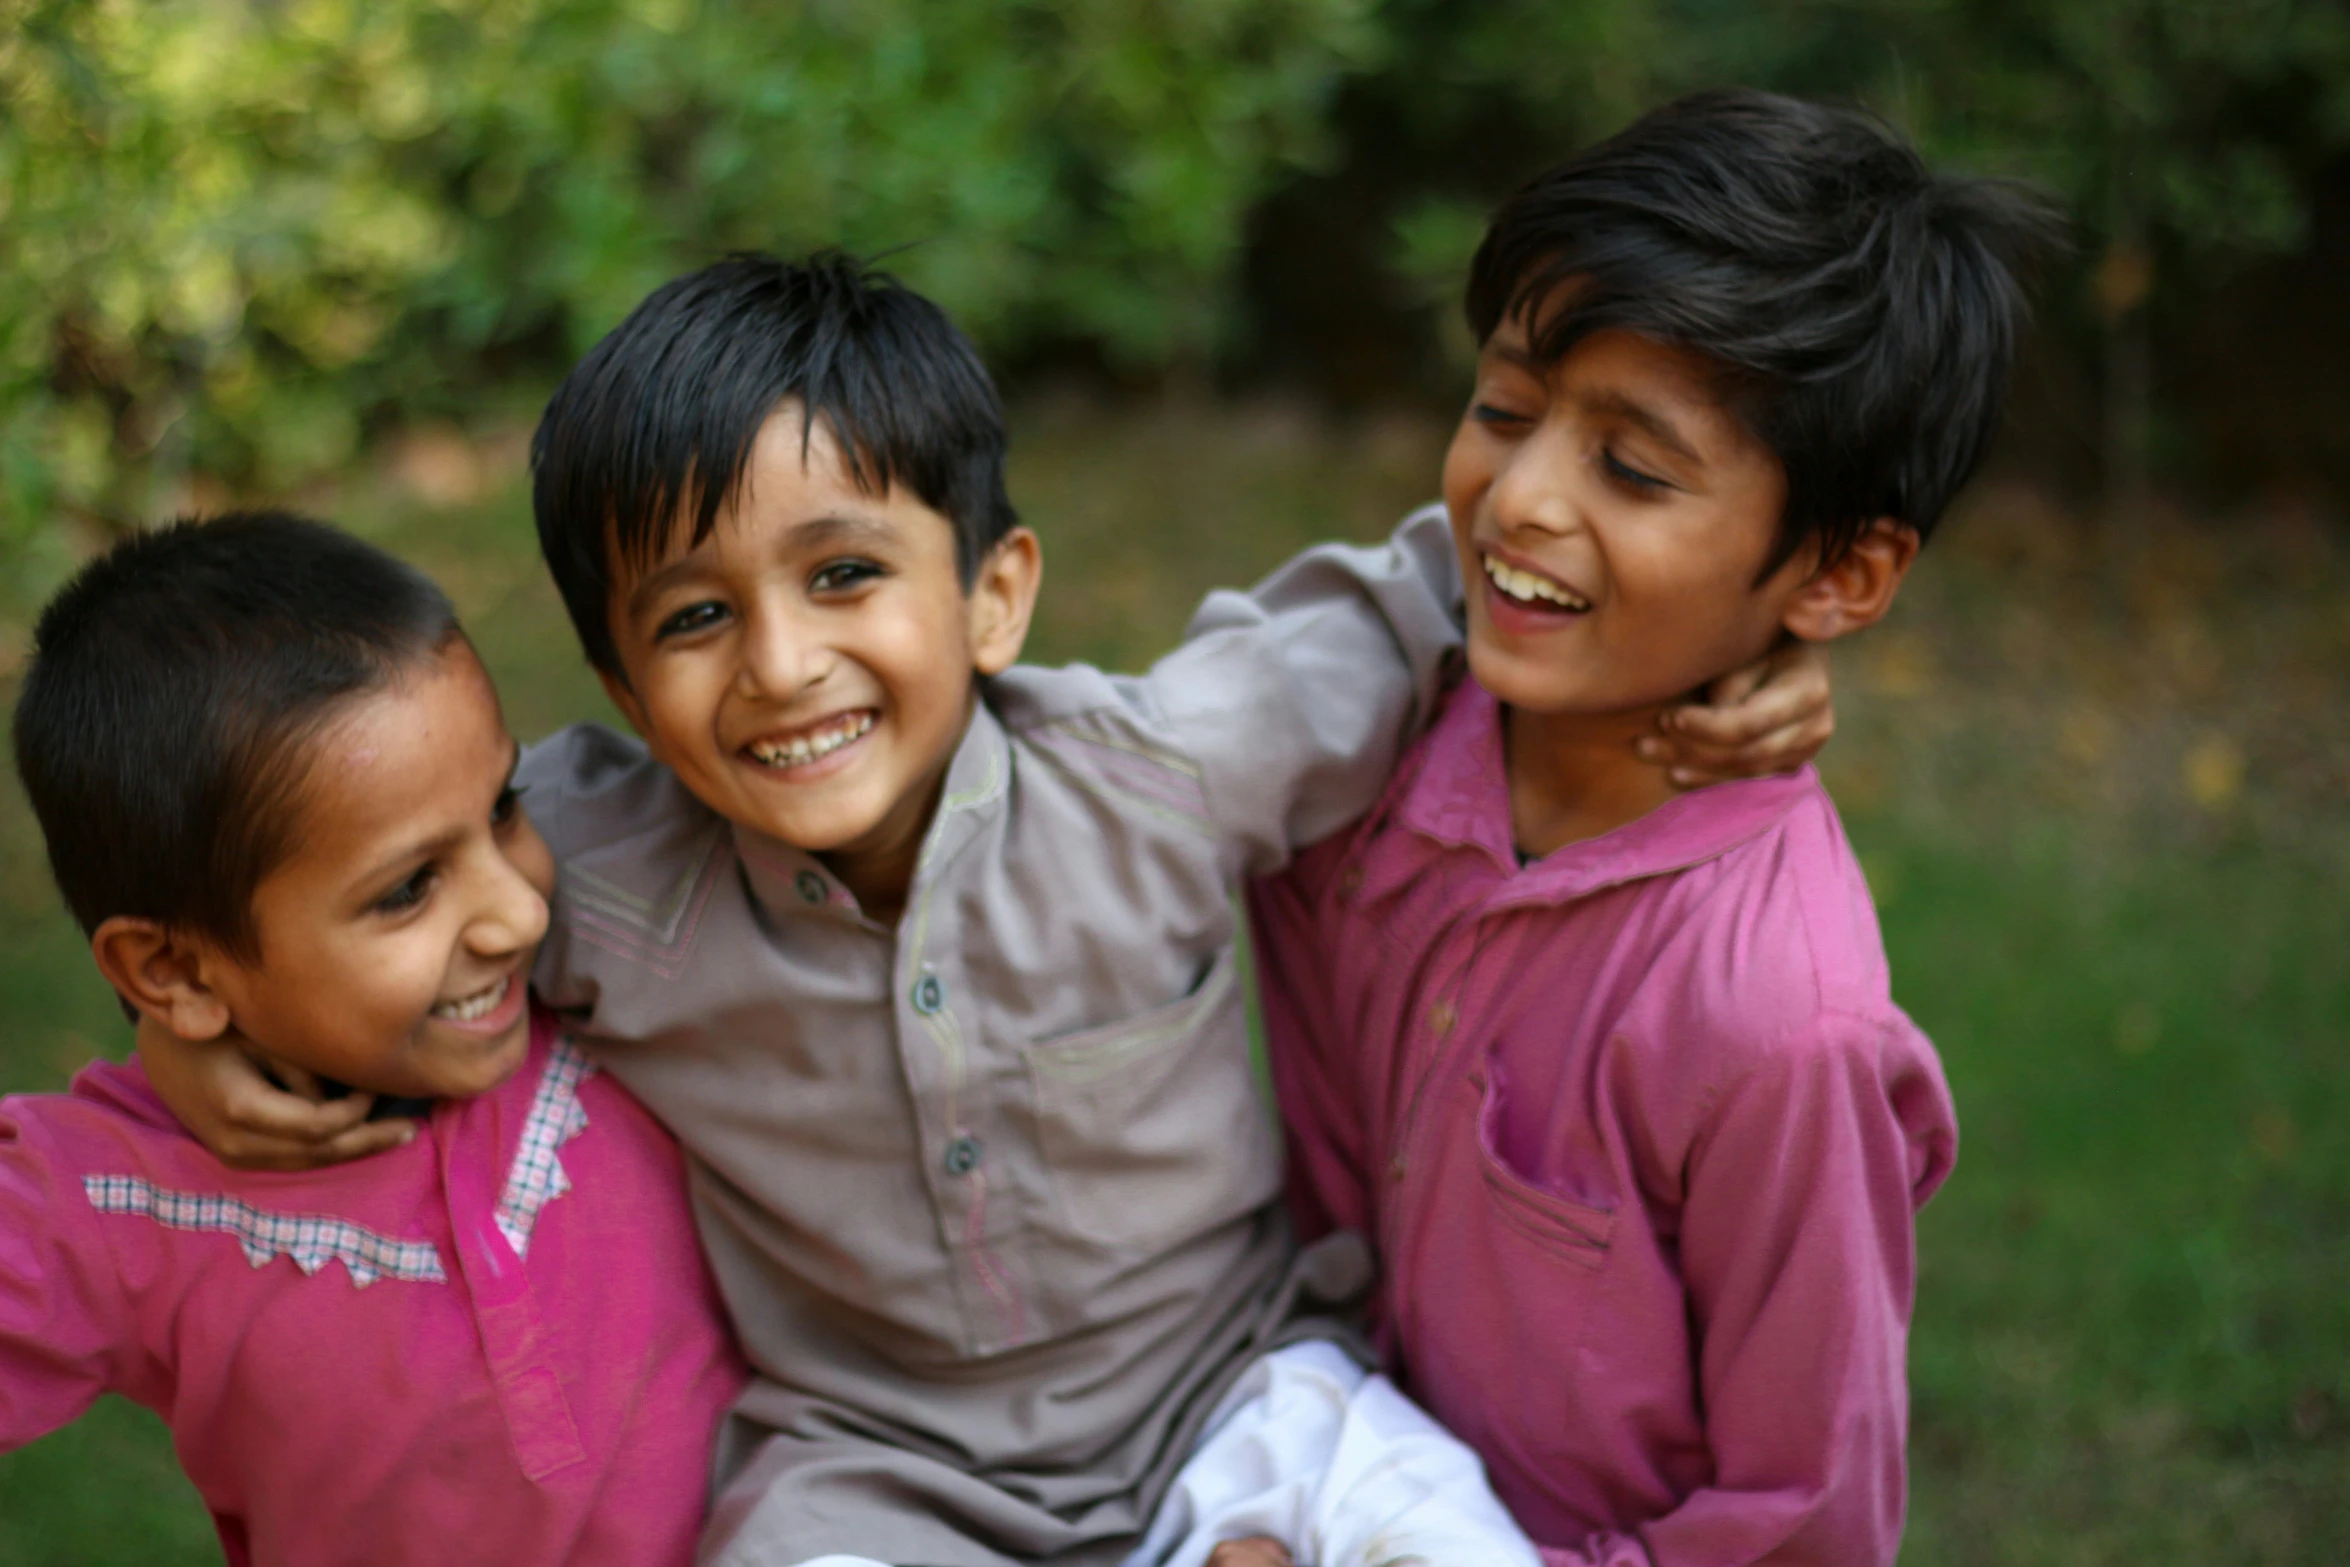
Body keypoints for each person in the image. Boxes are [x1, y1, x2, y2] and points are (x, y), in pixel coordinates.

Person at [138, 255, 1831, 1565]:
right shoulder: (589, 865)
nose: (784, 664)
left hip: (1241, 1392)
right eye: (695, 616)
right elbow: (370, 911)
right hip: (872, 1466)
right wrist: (208, 1042)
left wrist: (1755, 628)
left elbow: (1447, 581)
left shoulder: (1168, 765)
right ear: (618, 684)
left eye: (846, 573)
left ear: (995, 592)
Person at [1247, 89, 2059, 1566]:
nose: (1518, 499)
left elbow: (1803, 1525)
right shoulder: (1357, 750)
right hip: (1299, 1442)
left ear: (1841, 573)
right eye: (1503, 409)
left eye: (1631, 467)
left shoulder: (1777, 1029)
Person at [0, 513, 746, 1566]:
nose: (517, 915)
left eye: (502, 808)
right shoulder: (120, 1202)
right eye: (407, 889)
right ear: (172, 970)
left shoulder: (622, 972)